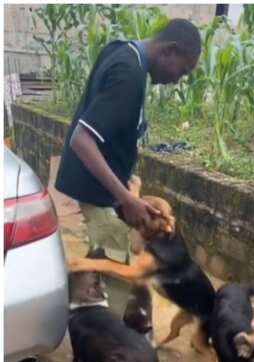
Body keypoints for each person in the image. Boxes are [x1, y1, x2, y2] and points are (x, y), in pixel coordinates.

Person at [55, 19, 202, 318]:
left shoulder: (122, 51)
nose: (178, 80)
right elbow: (82, 140)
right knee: (118, 267)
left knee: (102, 254)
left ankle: (70, 304)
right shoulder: (129, 74)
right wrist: (125, 197)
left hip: (102, 189)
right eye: (183, 71)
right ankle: (109, 343)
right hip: (100, 194)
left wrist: (130, 187)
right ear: (170, 51)